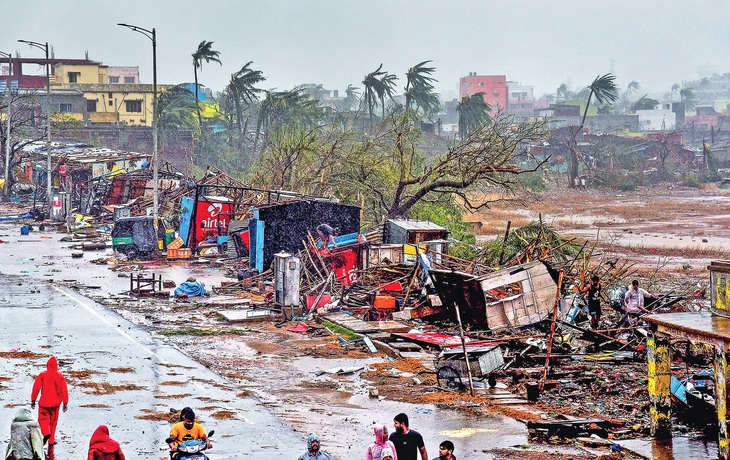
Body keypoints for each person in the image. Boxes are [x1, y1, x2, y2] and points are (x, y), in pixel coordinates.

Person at [30, 356, 68, 446]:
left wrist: (33, 400)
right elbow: (64, 390)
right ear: (56, 366)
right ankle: (51, 441)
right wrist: (65, 403)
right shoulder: (60, 376)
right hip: (56, 404)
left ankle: (46, 433)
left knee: (42, 420)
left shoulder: (43, 375)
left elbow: (36, 388)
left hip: (44, 403)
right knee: (53, 422)